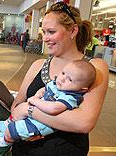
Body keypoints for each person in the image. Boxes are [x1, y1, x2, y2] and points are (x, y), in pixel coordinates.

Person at [10, 1, 109, 155]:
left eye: (51, 31)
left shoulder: (94, 67)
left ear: (73, 31)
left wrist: (29, 111)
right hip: (24, 149)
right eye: (44, 32)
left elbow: (83, 122)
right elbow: (16, 106)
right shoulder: (38, 65)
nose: (45, 38)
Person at [0, 60, 96, 147]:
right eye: (63, 73)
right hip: (33, 118)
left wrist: (34, 102)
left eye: (70, 80)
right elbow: (45, 88)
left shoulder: (69, 97)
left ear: (82, 90)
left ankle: (6, 140)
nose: (63, 79)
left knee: (15, 130)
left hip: (41, 125)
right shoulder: (56, 84)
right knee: (16, 118)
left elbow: (54, 108)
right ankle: (7, 125)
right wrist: (39, 93)